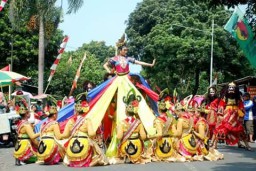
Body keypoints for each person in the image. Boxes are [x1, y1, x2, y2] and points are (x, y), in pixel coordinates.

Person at [61, 95, 107, 167]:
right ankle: (95, 159)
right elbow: (91, 134)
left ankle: (71, 159)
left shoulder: (70, 121)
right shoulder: (87, 120)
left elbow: (65, 135)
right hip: (84, 140)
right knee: (94, 145)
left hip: (73, 143)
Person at [116, 88, 148, 164]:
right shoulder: (138, 122)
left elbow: (119, 137)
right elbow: (143, 137)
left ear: (126, 110)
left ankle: (125, 156)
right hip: (137, 146)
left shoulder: (121, 123)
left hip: (125, 146)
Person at [13, 98, 39, 165]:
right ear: (26, 114)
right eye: (29, 112)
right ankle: (23, 159)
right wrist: (41, 132)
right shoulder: (26, 124)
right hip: (25, 145)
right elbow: (32, 136)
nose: (30, 114)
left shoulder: (20, 122)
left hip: (19, 144)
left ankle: (20, 158)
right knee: (40, 157)